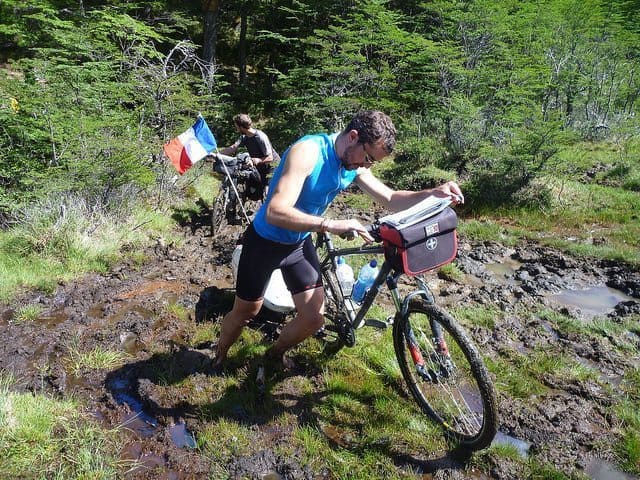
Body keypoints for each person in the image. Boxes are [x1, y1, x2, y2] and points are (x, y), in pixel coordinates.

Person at [212, 110, 463, 375]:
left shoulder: (353, 163)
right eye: (367, 159)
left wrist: (433, 194)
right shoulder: (308, 152)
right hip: (265, 240)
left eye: (373, 163)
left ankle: (273, 355)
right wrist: (329, 224)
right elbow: (275, 210)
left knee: (313, 318)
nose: (367, 167)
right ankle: (219, 354)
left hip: (298, 243)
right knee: (247, 311)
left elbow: (390, 198)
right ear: (353, 137)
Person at [219, 113, 280, 194]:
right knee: (254, 189)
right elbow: (233, 148)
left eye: (236, 126)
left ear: (241, 127)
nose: (236, 129)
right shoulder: (244, 137)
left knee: (267, 190)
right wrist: (217, 154)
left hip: (273, 165)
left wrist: (257, 160)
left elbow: (270, 158)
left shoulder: (261, 137)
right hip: (260, 166)